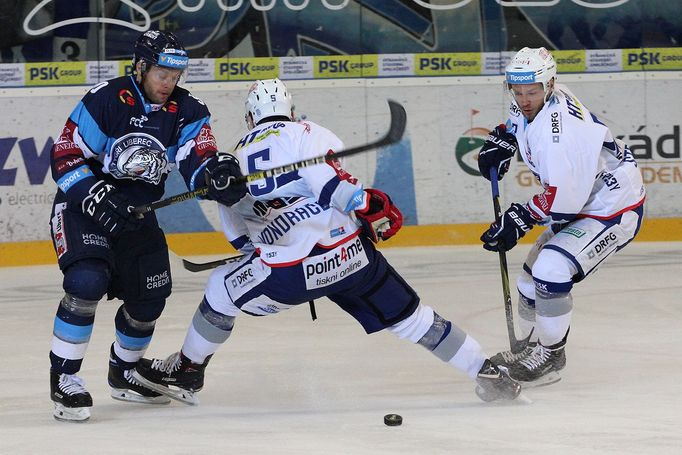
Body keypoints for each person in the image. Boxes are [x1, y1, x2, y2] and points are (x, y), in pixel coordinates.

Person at [132, 78, 522, 406]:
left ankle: (187, 371)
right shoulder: (307, 132)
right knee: (412, 318)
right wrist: (364, 204)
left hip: (288, 275)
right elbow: (332, 184)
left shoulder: (233, 159)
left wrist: (263, 246)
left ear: (249, 117)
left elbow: (238, 235)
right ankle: (486, 372)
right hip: (351, 259)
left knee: (220, 289)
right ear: (291, 108)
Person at [47, 30, 245, 422]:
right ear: (140, 67)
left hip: (137, 214)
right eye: (162, 74)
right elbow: (65, 157)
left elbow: (196, 157)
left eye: (176, 75)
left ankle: (123, 370)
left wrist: (216, 175)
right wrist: (95, 194)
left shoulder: (187, 110)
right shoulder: (107, 99)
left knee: (151, 297)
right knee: (87, 282)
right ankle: (64, 377)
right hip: (84, 207)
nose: (169, 83)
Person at [476, 47, 646, 387]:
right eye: (518, 91)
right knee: (528, 286)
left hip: (611, 207)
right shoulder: (535, 94)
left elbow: (564, 202)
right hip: (583, 198)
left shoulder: (561, 135)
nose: (524, 99)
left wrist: (521, 217)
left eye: (532, 92)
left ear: (550, 84)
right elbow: (517, 118)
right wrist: (505, 137)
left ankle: (551, 356)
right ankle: (534, 347)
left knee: (550, 269)